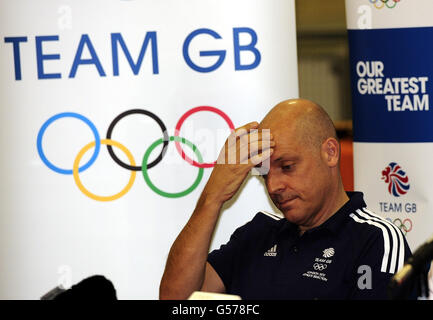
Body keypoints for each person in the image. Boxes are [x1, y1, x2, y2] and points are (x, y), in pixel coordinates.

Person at [159, 98, 412, 300]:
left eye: (287, 166)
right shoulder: (257, 233)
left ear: (331, 153)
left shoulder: (375, 239)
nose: (274, 186)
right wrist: (212, 198)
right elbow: (176, 299)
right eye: (264, 174)